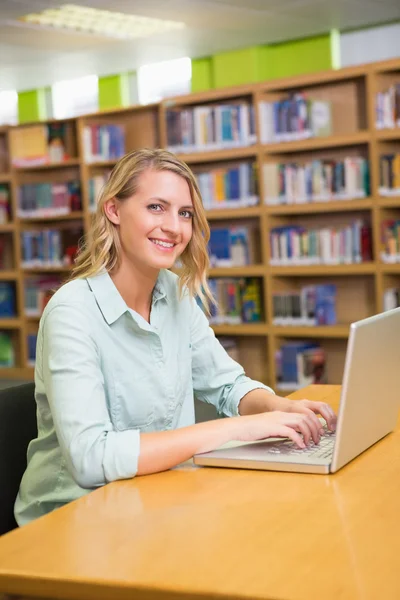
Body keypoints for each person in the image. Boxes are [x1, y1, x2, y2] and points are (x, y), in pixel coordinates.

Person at [15, 148, 337, 526]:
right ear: (113, 210)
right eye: (156, 207)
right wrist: (237, 428)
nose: (174, 227)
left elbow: (228, 385)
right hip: (72, 518)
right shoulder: (71, 314)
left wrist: (276, 408)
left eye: (184, 213)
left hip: (155, 498)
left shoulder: (176, 294)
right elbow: (90, 459)